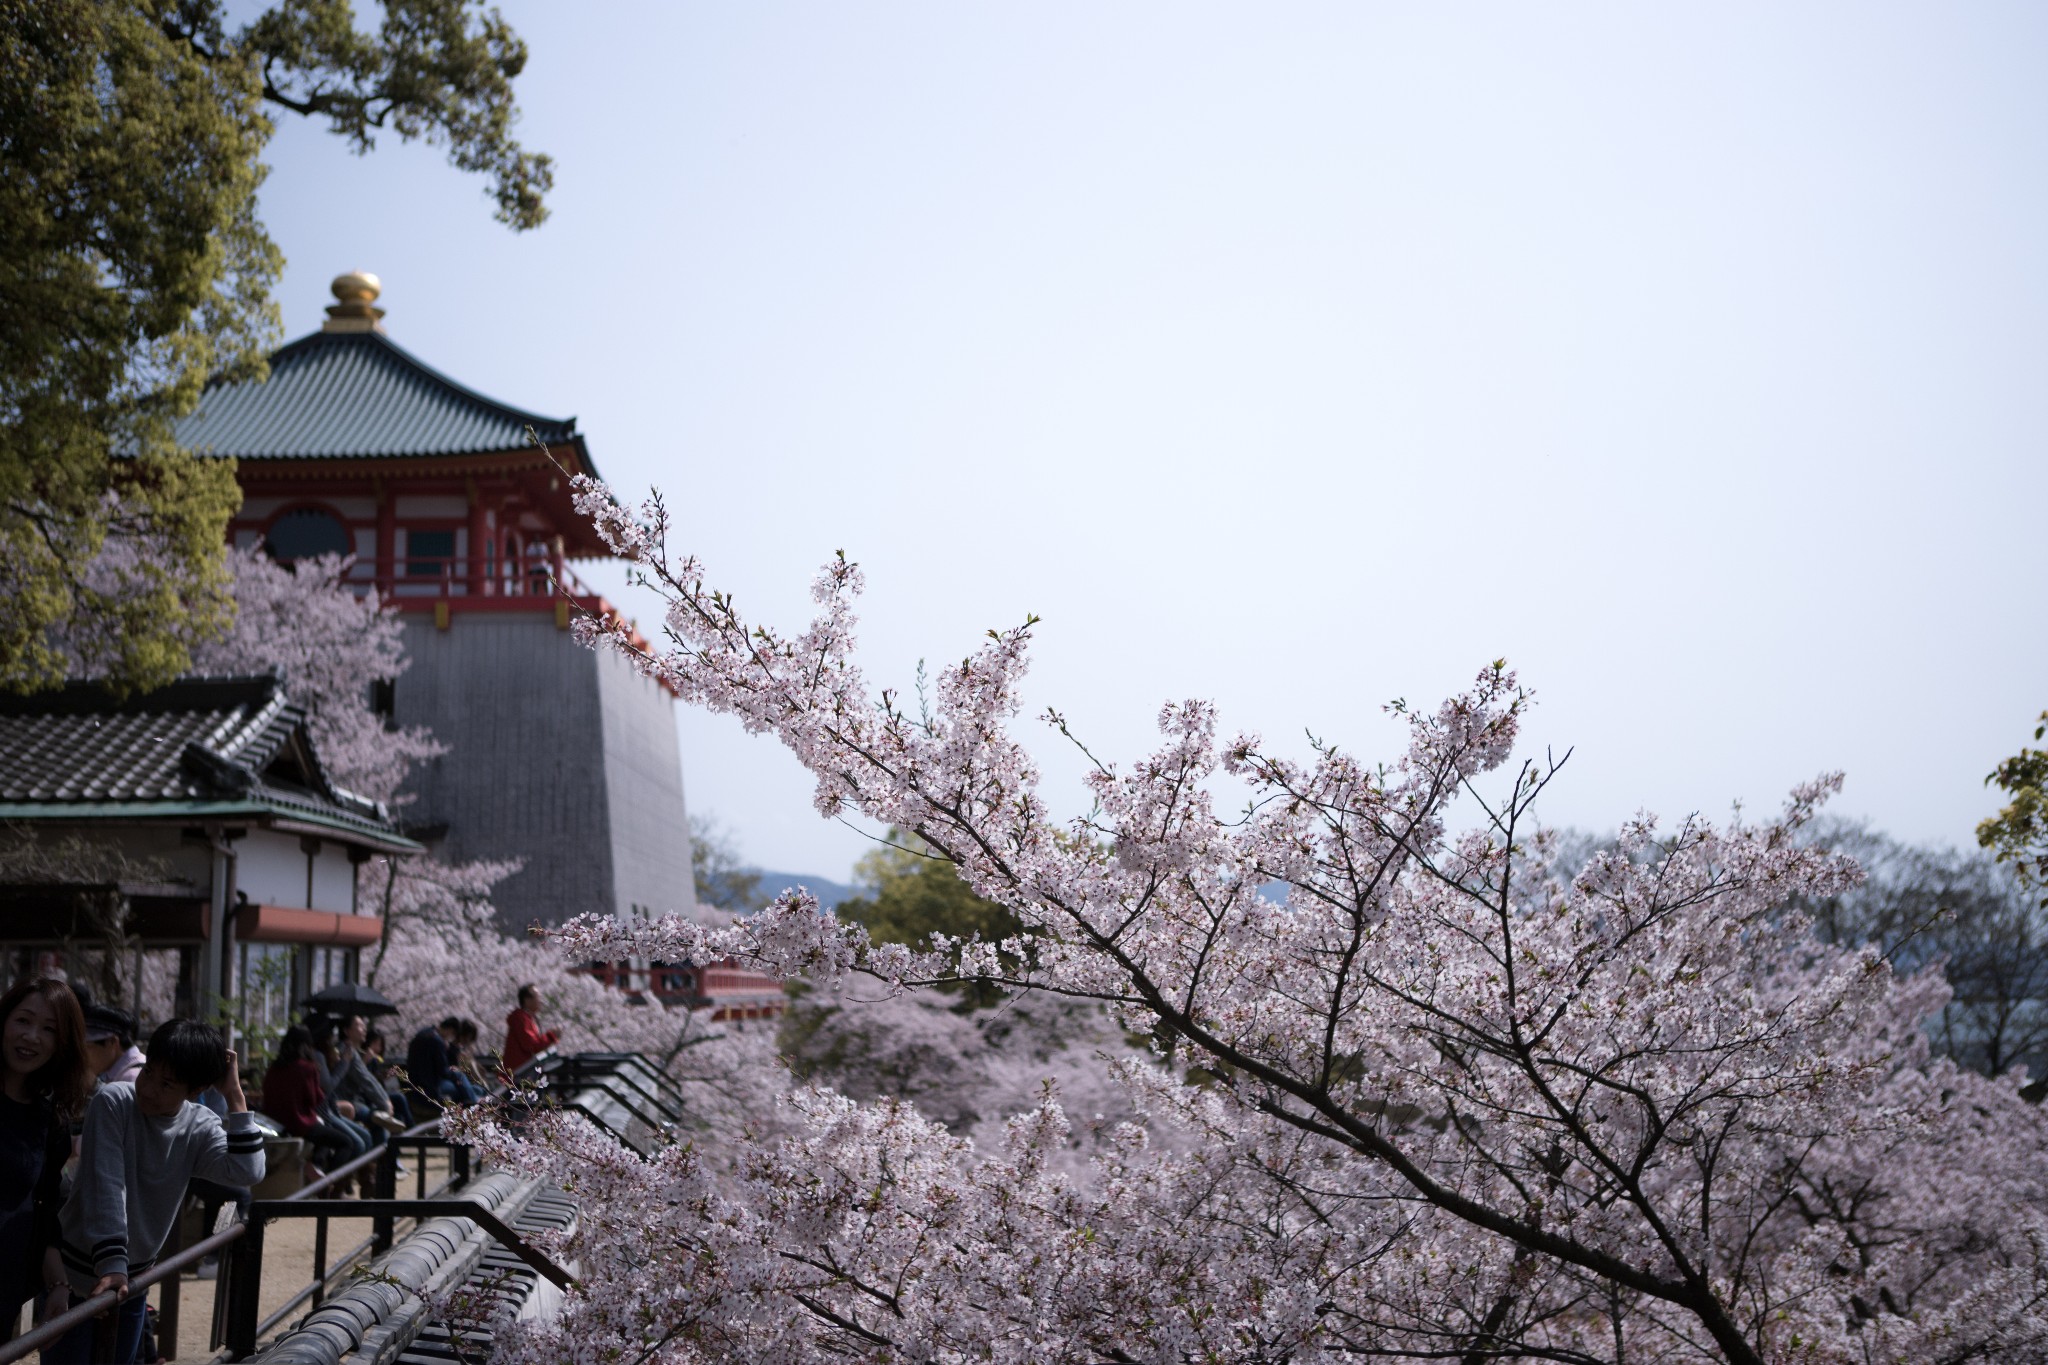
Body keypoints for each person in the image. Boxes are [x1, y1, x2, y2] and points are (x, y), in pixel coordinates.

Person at [45, 1019, 263, 1365]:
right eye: (148, 1073)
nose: (148, 1089)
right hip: (79, 1275)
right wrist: (113, 1265)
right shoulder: (115, 1101)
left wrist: (234, 1095)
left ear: (194, 1091)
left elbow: (247, 1171)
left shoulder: (198, 1126)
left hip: (133, 1281)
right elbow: (107, 1186)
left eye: (166, 1084)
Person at [0, 979, 88, 1345]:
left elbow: (45, 1207)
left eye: (49, 1029)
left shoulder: (51, 1118)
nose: (32, 1037)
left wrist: (57, 1287)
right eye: (23, 1020)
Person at [259, 1026, 361, 1179]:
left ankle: (317, 1165)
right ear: (306, 1045)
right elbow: (315, 1100)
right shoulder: (307, 1067)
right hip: (299, 1123)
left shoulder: (274, 1067)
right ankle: (325, 1179)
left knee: (324, 1134)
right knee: (346, 1143)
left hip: (274, 1123)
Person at [405, 1018, 480, 1109]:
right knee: (460, 1077)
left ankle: (474, 1101)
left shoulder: (425, 1032)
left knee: (470, 1088)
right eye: (453, 1035)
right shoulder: (437, 1041)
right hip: (429, 1088)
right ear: (451, 1031)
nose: (450, 1039)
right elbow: (444, 1071)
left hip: (416, 1082)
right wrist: (455, 1071)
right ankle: (474, 1106)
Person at [500, 984, 559, 1076]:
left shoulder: (526, 1018)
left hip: (521, 1072)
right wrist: (551, 1036)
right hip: (519, 1074)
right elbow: (531, 1045)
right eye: (538, 997)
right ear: (527, 1000)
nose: (541, 1001)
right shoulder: (521, 1019)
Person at [79, 1005, 144, 1086]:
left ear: (112, 1042)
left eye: (88, 1046)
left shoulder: (131, 1078)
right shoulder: (117, 1074)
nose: (83, 1055)